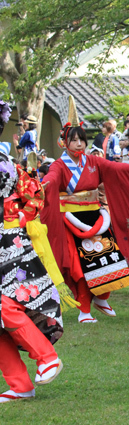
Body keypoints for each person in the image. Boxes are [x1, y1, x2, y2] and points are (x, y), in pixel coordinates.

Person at [42, 116, 129, 324]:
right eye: (74, 140)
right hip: (71, 221)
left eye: (82, 140)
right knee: (82, 268)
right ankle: (84, 311)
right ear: (64, 143)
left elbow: (116, 169)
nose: (79, 144)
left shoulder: (93, 162)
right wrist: (42, 186)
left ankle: (101, 297)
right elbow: (51, 179)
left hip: (95, 217)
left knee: (108, 261)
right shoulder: (60, 166)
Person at [0, 152, 64, 404]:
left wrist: (22, 216)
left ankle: (47, 357)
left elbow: (34, 193)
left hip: (9, 241)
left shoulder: (4, 162)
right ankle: (20, 385)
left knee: (7, 304)